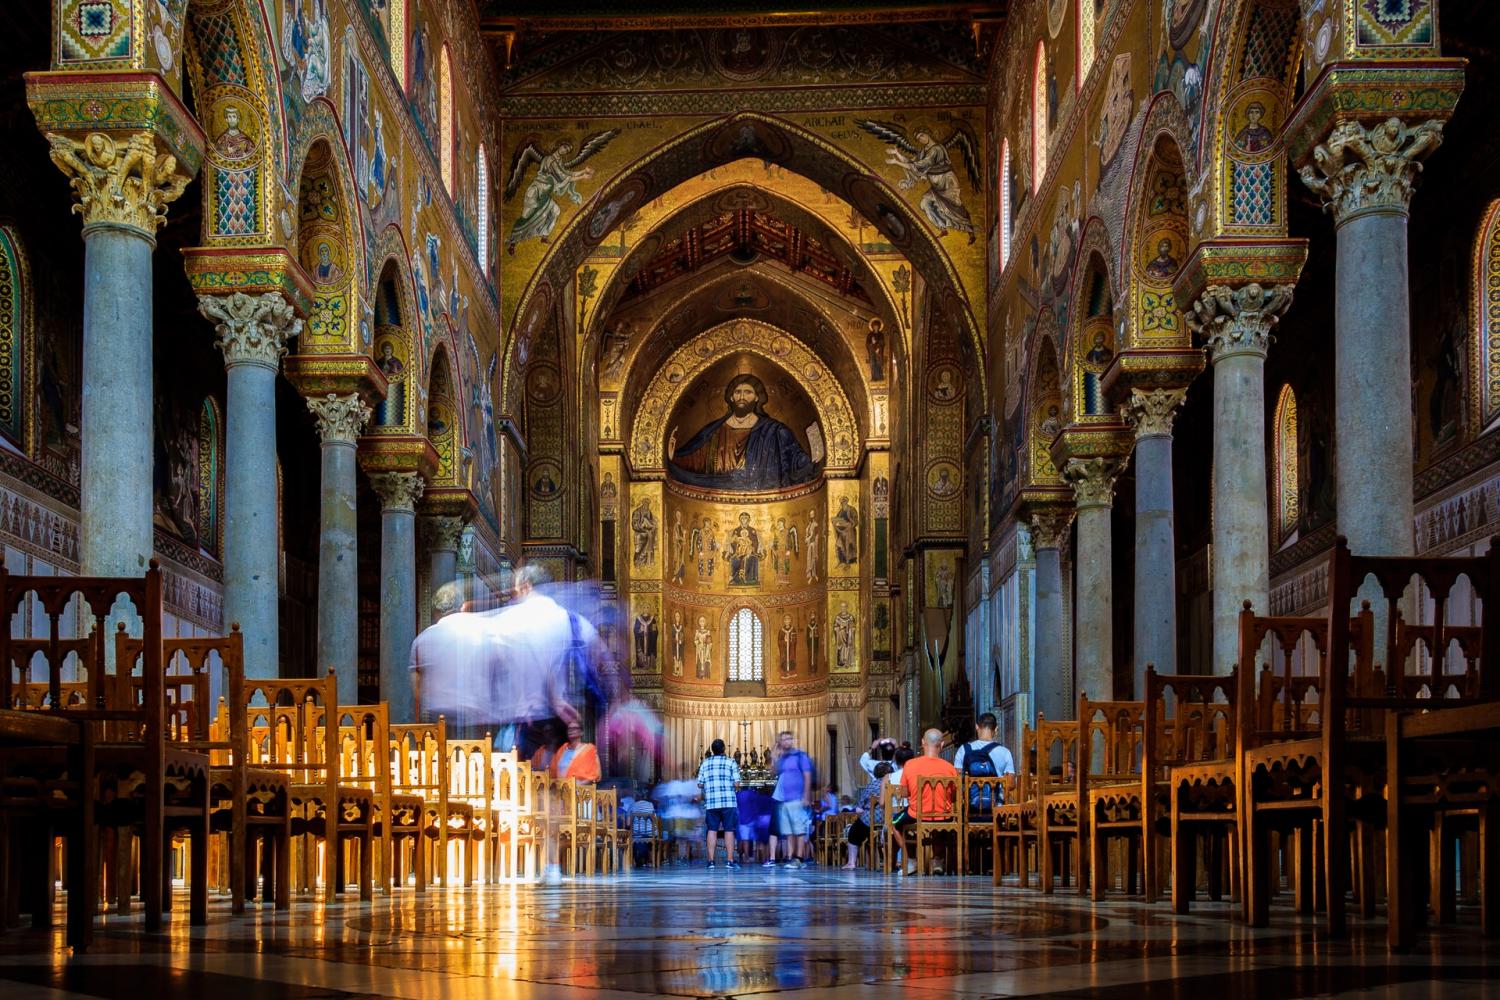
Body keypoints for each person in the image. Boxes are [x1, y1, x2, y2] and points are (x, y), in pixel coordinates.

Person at [894, 729, 959, 876]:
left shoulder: (910, 765)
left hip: (916, 814)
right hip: (944, 815)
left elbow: (904, 793)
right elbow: (953, 796)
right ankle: (937, 861)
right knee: (939, 825)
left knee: (894, 823)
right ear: (942, 745)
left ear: (923, 743)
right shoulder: (950, 768)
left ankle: (911, 860)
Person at [765, 731, 814, 868]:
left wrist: (806, 795)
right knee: (789, 831)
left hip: (797, 798)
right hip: (784, 799)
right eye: (783, 739)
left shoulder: (800, 756)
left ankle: (798, 858)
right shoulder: (783, 759)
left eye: (789, 739)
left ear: (793, 740)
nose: (786, 742)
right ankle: (793, 858)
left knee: (798, 829)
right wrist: (774, 756)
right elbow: (773, 772)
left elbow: (807, 775)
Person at [696, 739, 742, 869]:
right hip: (728, 801)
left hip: (712, 802)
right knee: (729, 830)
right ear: (724, 749)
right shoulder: (731, 762)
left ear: (712, 750)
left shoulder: (705, 763)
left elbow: (699, 784)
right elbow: (737, 783)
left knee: (712, 830)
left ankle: (711, 861)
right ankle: (730, 860)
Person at [844, 762, 894, 870]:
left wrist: (860, 809)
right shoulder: (894, 784)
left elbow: (860, 805)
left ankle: (851, 862)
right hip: (891, 819)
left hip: (872, 820)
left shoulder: (871, 785)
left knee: (853, 832)